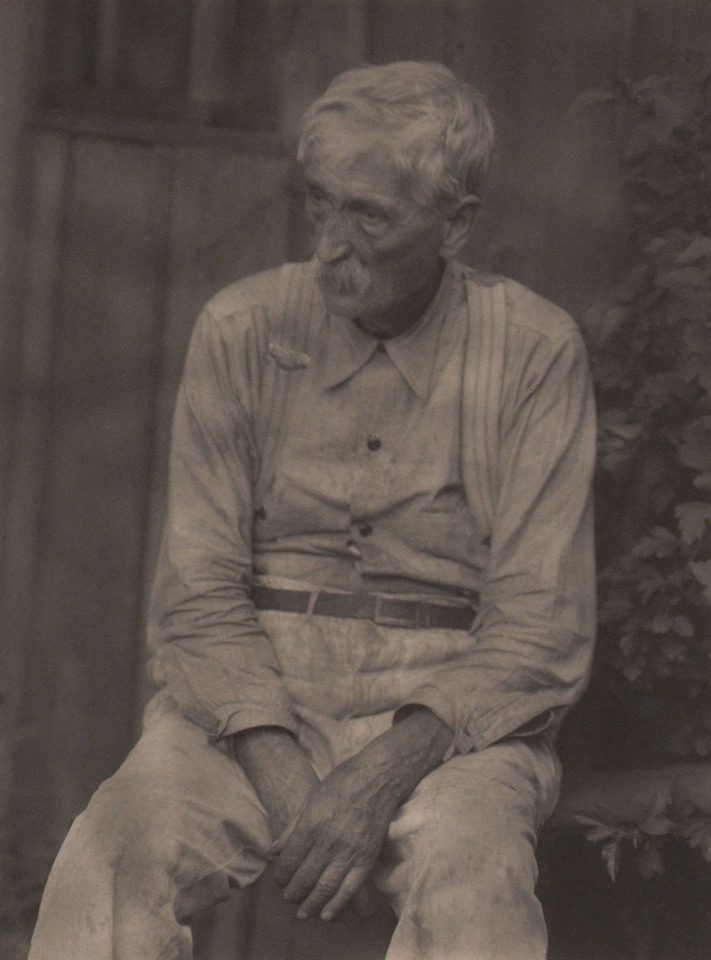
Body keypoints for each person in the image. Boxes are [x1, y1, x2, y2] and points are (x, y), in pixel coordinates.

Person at [28, 60, 596, 960]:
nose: (330, 243)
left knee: (475, 889)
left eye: (368, 214)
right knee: (107, 855)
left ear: (455, 225)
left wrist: (376, 778)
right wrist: (287, 769)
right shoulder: (243, 330)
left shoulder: (532, 354)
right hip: (249, 701)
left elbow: (540, 629)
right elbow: (196, 594)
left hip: (447, 725)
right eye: (320, 203)